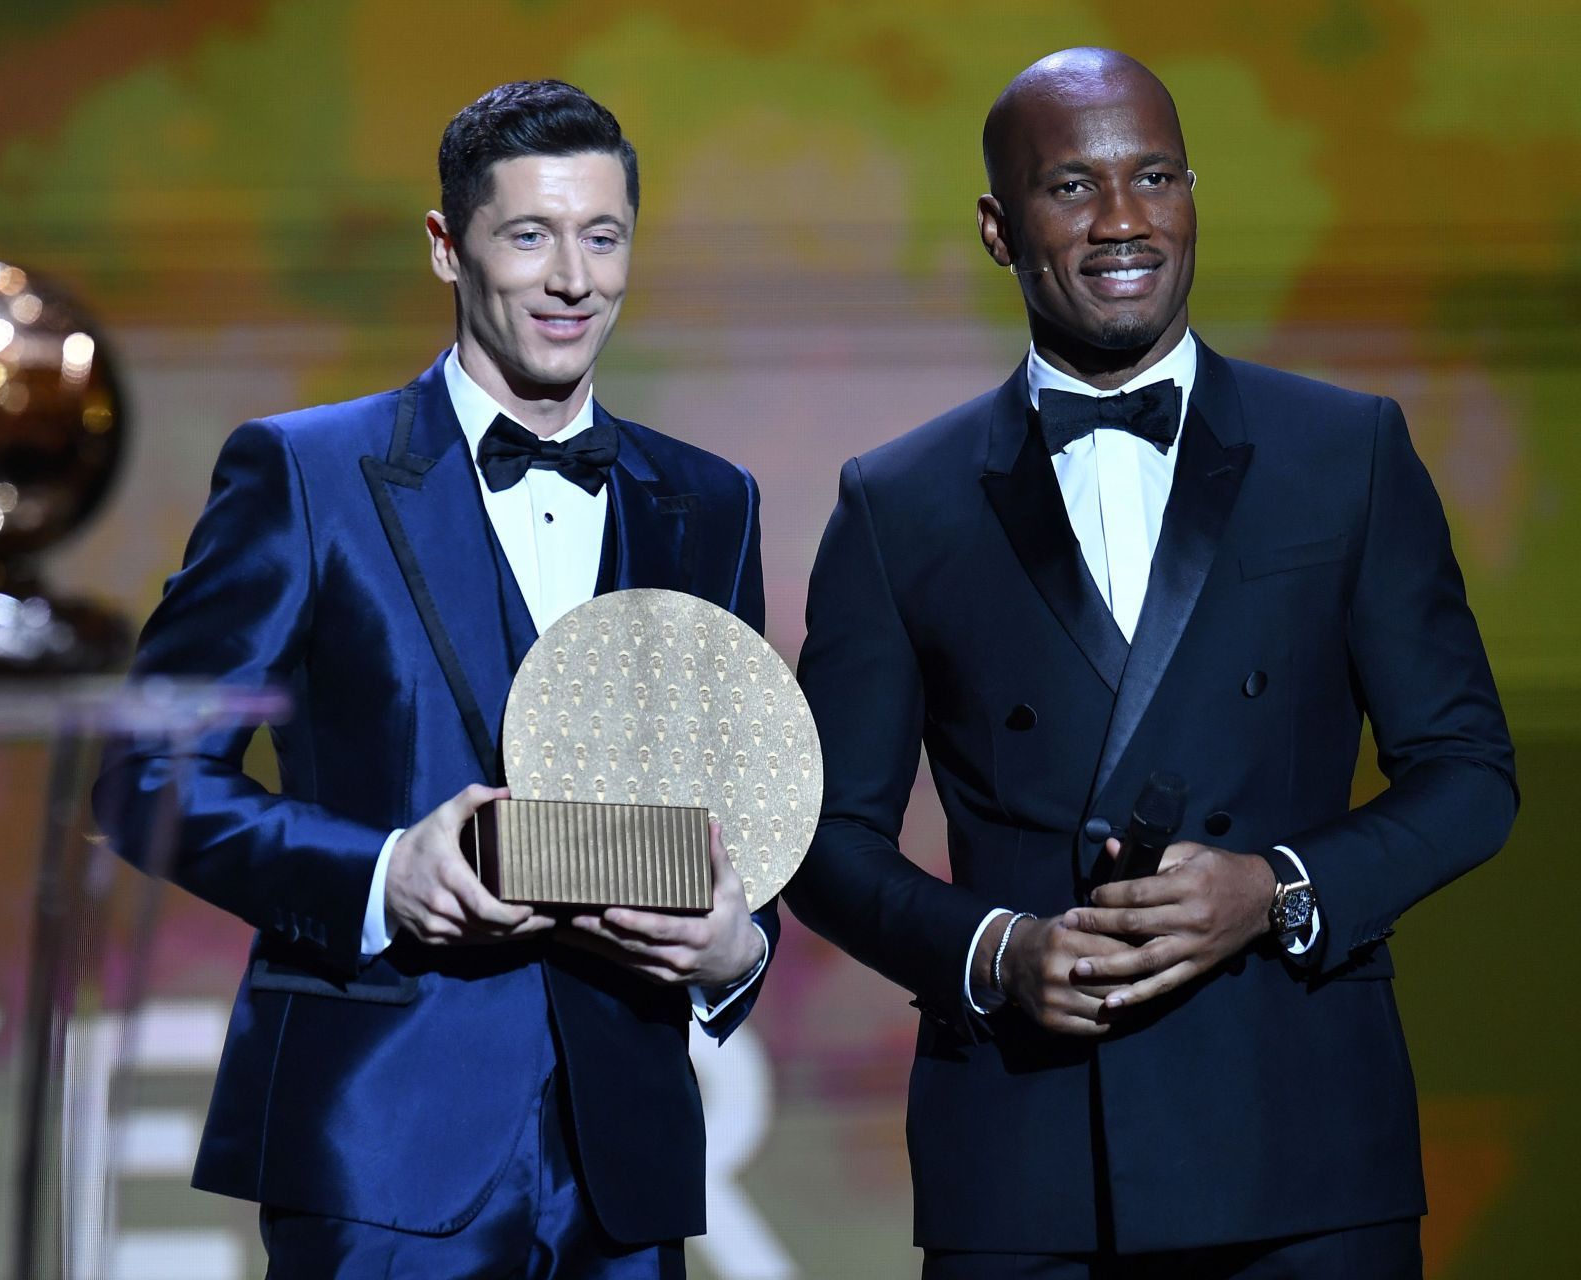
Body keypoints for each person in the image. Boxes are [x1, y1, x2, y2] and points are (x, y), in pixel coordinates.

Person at [784, 47, 1515, 1278]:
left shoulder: (1349, 453)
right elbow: (822, 839)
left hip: (1301, 1146)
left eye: (1154, 176)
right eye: (1071, 187)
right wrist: (995, 950)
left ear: (1192, 193)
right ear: (996, 226)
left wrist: (1277, 888)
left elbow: (1469, 773)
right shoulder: (897, 501)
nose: (1123, 220)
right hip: (1026, 1159)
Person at [95, 80, 776, 1279]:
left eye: (601, 236)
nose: (573, 277)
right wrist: (380, 874)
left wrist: (736, 949)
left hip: (627, 1162)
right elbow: (141, 770)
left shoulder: (709, 503)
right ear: (445, 245)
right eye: (529, 235)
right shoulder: (307, 471)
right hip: (378, 1143)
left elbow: (740, 807)